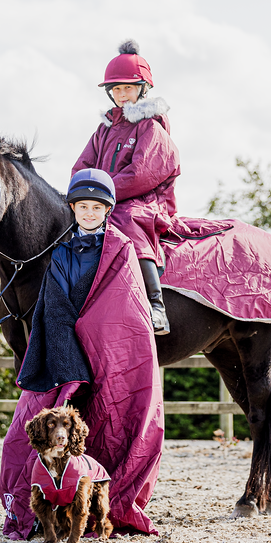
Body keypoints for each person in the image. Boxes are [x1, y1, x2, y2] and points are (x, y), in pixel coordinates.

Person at [0, 168, 164, 540]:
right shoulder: (61, 251)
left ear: (107, 209)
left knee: (114, 427)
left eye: (97, 207)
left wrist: (92, 336)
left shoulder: (121, 248)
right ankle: (37, 511)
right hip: (66, 351)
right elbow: (53, 306)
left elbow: (121, 311)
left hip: (108, 355)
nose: (89, 213)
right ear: (72, 208)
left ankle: (98, 510)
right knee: (18, 436)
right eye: (82, 206)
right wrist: (67, 353)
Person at [72, 40, 179, 335]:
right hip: (106, 199)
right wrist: (79, 194)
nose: (122, 94)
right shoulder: (104, 129)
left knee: (126, 221)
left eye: (128, 88)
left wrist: (101, 195)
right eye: (116, 89)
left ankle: (156, 307)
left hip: (143, 201)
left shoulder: (151, 128)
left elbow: (140, 173)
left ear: (143, 89)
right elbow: (82, 166)